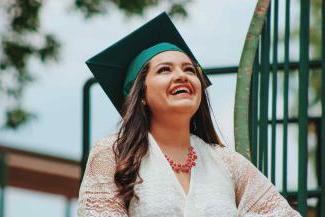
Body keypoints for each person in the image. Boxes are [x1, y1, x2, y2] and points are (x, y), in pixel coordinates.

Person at [78, 12, 301, 217]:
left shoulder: (227, 162)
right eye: (165, 70)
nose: (182, 76)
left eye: (189, 70)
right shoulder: (114, 155)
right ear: (141, 94)